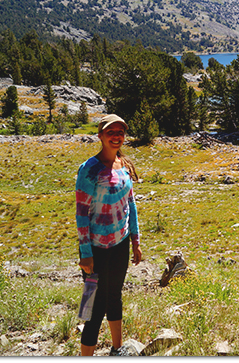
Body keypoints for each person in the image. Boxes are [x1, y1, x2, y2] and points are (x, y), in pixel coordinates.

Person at [75, 114, 142, 356]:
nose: (116, 136)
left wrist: (135, 240)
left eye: (120, 132)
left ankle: (117, 349)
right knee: (92, 306)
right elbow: (81, 214)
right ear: (101, 136)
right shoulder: (89, 170)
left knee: (115, 296)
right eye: (110, 131)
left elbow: (130, 204)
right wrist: (85, 254)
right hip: (95, 249)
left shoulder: (123, 166)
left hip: (120, 244)